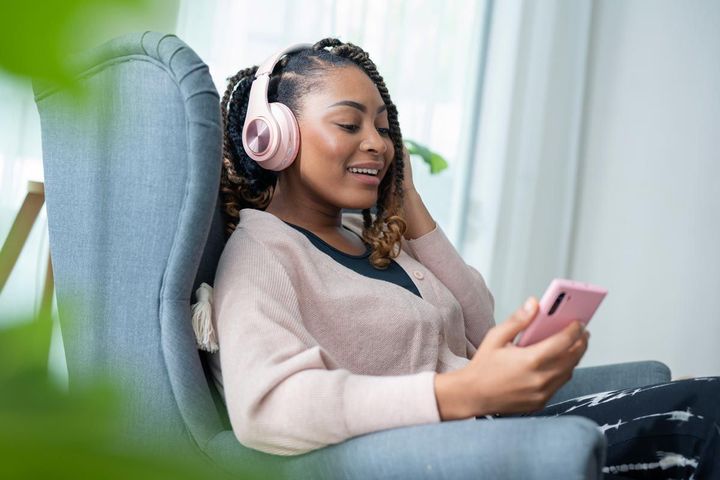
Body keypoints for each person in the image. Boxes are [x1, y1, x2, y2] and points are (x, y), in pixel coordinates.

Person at [198, 38, 719, 478]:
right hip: (454, 454)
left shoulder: (372, 238)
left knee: (709, 399)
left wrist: (409, 204)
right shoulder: (262, 252)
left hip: (499, 430)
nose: (377, 144)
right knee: (702, 416)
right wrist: (461, 392)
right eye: (349, 124)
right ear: (272, 139)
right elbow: (265, 408)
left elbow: (479, 330)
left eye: (383, 128)